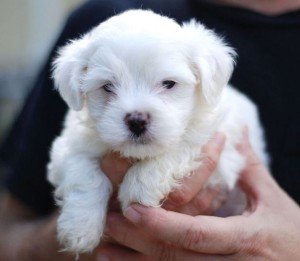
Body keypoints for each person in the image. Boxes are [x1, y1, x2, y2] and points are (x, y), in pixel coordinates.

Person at [0, 0, 300, 260]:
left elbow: (226, 164)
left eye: (167, 84)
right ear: (78, 86)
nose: (136, 114)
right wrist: (87, 205)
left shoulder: (219, 110)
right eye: (108, 88)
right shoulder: (94, 17)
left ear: (205, 79)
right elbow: (65, 159)